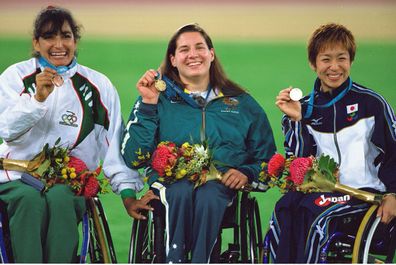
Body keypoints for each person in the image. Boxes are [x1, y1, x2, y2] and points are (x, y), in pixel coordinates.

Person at [0, 6, 153, 262]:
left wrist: (128, 194)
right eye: (49, 36)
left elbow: (114, 142)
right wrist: (37, 100)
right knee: (29, 201)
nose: (58, 44)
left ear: (75, 40)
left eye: (66, 36)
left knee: (61, 199)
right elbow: (5, 129)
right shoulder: (15, 77)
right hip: (17, 175)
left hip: (68, 181)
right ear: (36, 43)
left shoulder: (97, 85)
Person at [121, 23, 276, 263]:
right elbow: (134, 157)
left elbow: (268, 160)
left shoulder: (241, 103)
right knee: (179, 190)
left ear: (211, 54)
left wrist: (247, 172)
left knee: (210, 193)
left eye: (199, 47)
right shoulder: (155, 99)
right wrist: (149, 104)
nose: (193, 54)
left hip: (221, 187)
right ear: (173, 59)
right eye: (184, 49)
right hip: (170, 186)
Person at [269, 23, 396, 263]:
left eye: (342, 58)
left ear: (351, 60)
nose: (334, 67)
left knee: (315, 219)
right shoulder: (304, 107)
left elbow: (394, 151)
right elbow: (297, 163)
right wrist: (296, 119)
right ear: (313, 63)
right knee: (283, 210)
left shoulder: (372, 104)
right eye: (326, 59)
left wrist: (394, 193)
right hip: (323, 193)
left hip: (364, 195)